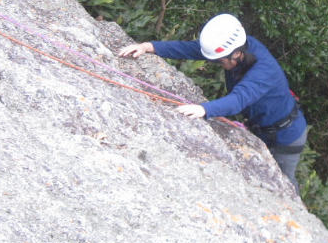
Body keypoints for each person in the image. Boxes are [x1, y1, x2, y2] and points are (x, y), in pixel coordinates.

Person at [119, 13, 308, 194]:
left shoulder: (263, 69)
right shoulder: (239, 50)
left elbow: (239, 100)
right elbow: (190, 49)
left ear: (237, 54)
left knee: (285, 185)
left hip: (286, 137)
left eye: (220, 61)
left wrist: (204, 109)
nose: (218, 64)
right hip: (263, 128)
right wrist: (149, 46)